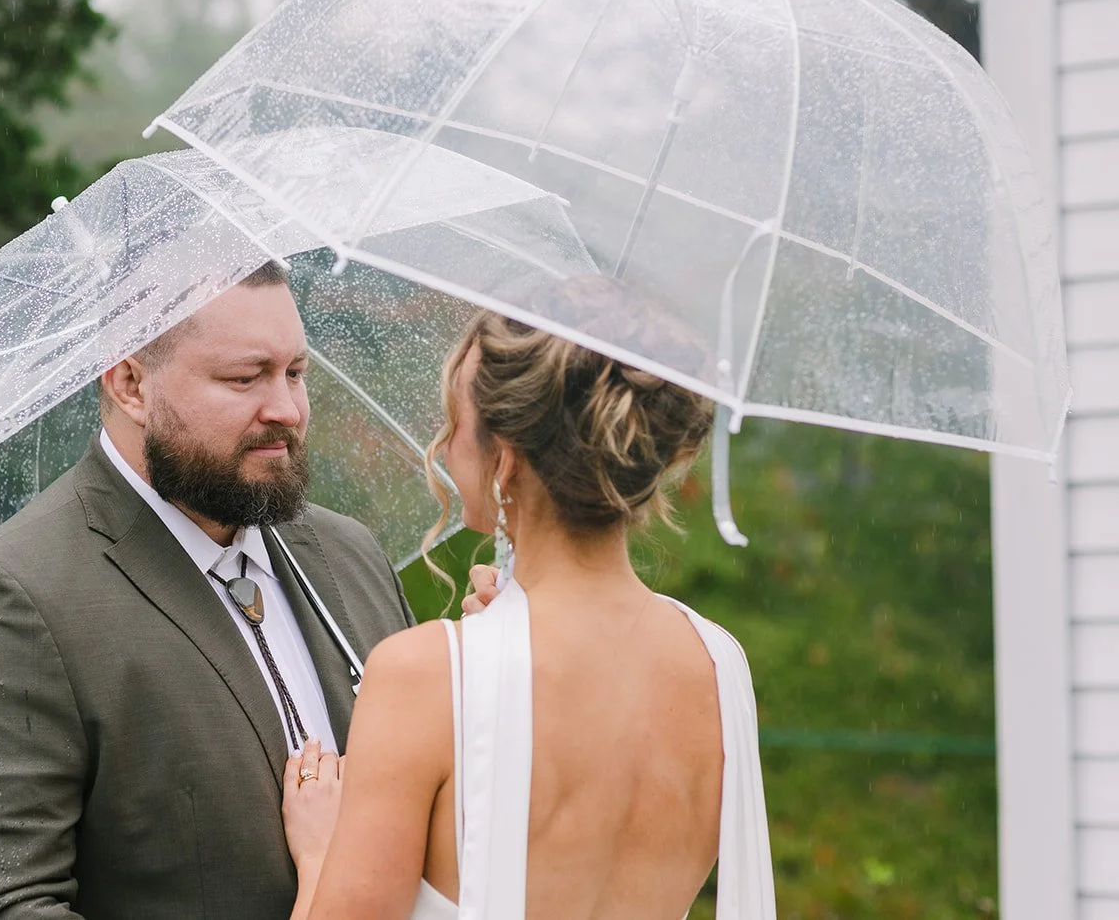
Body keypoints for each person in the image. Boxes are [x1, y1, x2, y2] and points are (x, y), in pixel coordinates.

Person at [0, 261, 416, 919]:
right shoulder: (3, 601)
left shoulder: (349, 556)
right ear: (131, 382)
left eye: (296, 373)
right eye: (245, 377)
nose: (285, 408)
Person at [279, 287, 776, 919]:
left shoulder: (425, 676)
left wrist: (322, 851)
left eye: (454, 419)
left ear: (505, 459)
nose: (442, 442)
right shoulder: (717, 666)